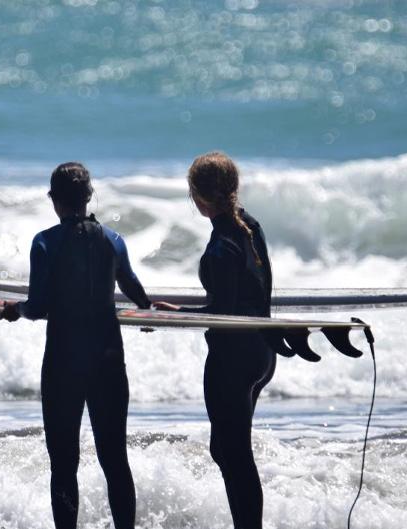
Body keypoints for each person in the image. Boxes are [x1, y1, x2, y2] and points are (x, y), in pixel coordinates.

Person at [0, 162, 151, 529]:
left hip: (64, 364)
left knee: (64, 464)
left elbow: (37, 306)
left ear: (54, 200)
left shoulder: (44, 243)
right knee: (114, 459)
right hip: (108, 361)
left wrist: (13, 310)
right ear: (89, 197)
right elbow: (131, 287)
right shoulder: (113, 240)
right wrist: (148, 311)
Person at [153, 152, 276, 529]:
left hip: (233, 359)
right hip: (262, 352)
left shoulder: (224, 242)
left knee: (234, 454)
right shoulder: (250, 227)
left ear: (198, 198)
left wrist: (170, 315)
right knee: (225, 449)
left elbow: (220, 310)